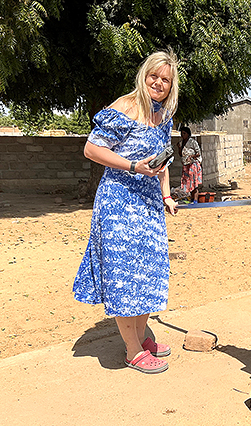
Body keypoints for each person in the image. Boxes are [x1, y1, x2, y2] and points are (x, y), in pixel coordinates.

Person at [73, 50, 180, 374]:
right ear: (144, 75)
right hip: (118, 202)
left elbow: (161, 161)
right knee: (124, 275)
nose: (158, 83)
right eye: (154, 77)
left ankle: (142, 337)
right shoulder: (125, 107)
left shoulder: (164, 116)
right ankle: (132, 350)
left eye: (165, 80)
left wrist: (166, 195)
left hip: (148, 205)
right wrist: (132, 165)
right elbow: (92, 148)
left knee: (149, 271)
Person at [177, 126, 202, 203]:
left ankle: (195, 200)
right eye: (181, 133)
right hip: (185, 165)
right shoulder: (181, 143)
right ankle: (191, 198)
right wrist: (179, 148)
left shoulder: (193, 142)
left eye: (184, 133)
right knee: (187, 183)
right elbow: (181, 155)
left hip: (193, 165)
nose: (182, 135)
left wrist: (191, 156)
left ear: (188, 134)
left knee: (194, 183)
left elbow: (198, 153)